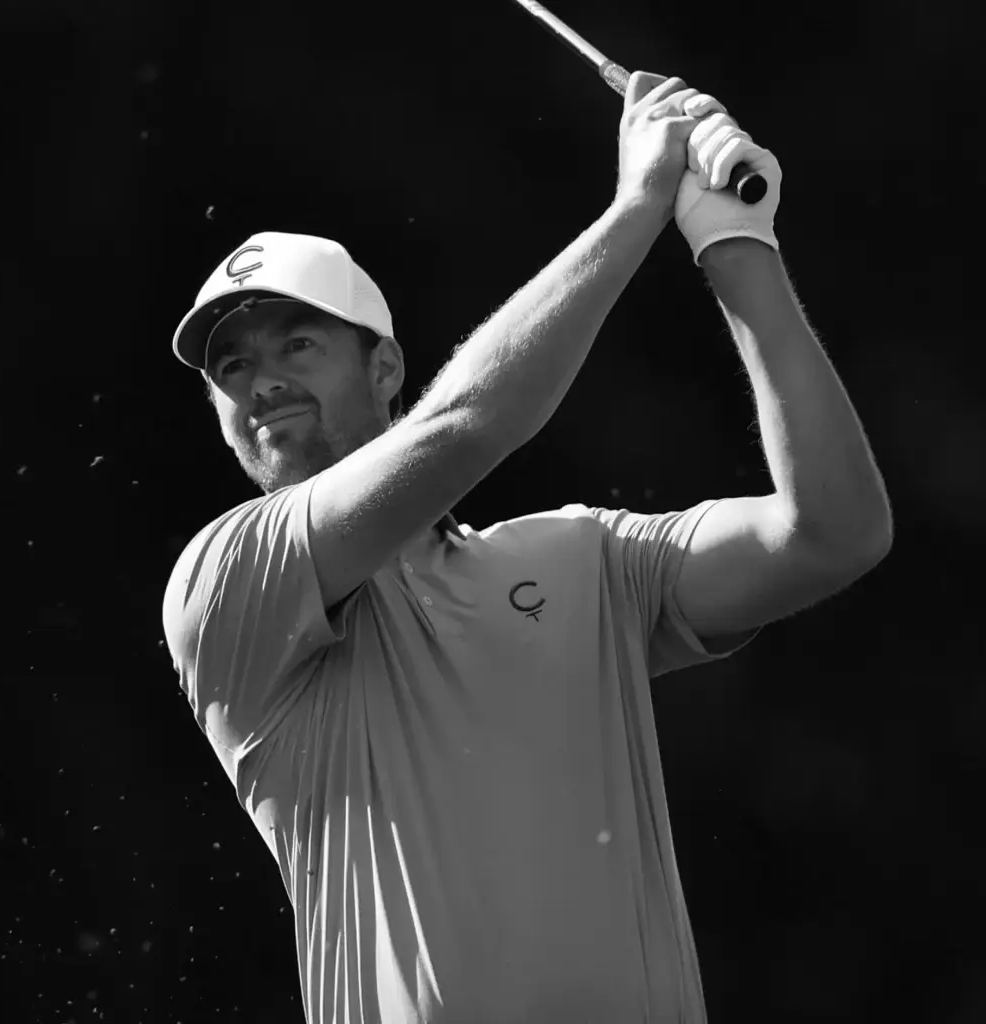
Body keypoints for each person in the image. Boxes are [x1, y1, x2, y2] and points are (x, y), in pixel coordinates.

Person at [161, 72, 892, 1023]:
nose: (260, 383)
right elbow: (470, 424)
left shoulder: (586, 559)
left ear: (385, 367)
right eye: (232, 366)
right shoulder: (228, 578)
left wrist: (731, 239)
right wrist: (638, 205)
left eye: (298, 345)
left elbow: (832, 532)